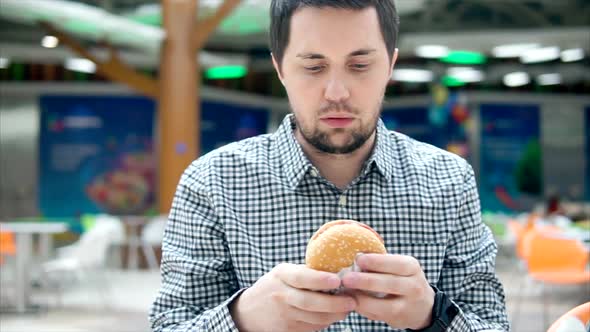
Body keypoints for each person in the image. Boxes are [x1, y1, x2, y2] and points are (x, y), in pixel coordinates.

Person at [149, 0, 509, 331]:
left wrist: (434, 314)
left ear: (390, 65)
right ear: (280, 68)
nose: (336, 92)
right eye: (314, 66)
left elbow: (493, 324)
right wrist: (242, 317)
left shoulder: (449, 180)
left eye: (360, 65)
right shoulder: (212, 182)